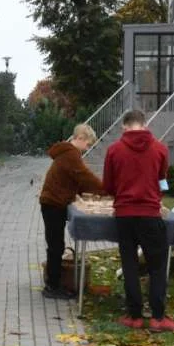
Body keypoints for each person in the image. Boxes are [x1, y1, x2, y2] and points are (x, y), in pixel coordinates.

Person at [102, 109, 174, 332]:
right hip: (150, 213)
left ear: (124, 126)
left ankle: (134, 315)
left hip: (124, 215)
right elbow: (163, 180)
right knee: (157, 266)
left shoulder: (114, 150)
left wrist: (120, 193)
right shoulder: (160, 148)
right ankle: (158, 317)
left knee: (129, 264)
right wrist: (158, 197)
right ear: (145, 124)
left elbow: (108, 185)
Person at [38, 123, 103, 299]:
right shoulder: (71, 155)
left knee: (56, 244)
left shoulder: (68, 153)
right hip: (53, 203)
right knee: (56, 245)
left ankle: (54, 282)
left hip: (53, 202)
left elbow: (76, 180)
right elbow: (85, 177)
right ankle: (52, 287)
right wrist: (107, 189)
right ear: (80, 138)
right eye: (88, 144)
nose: (88, 148)